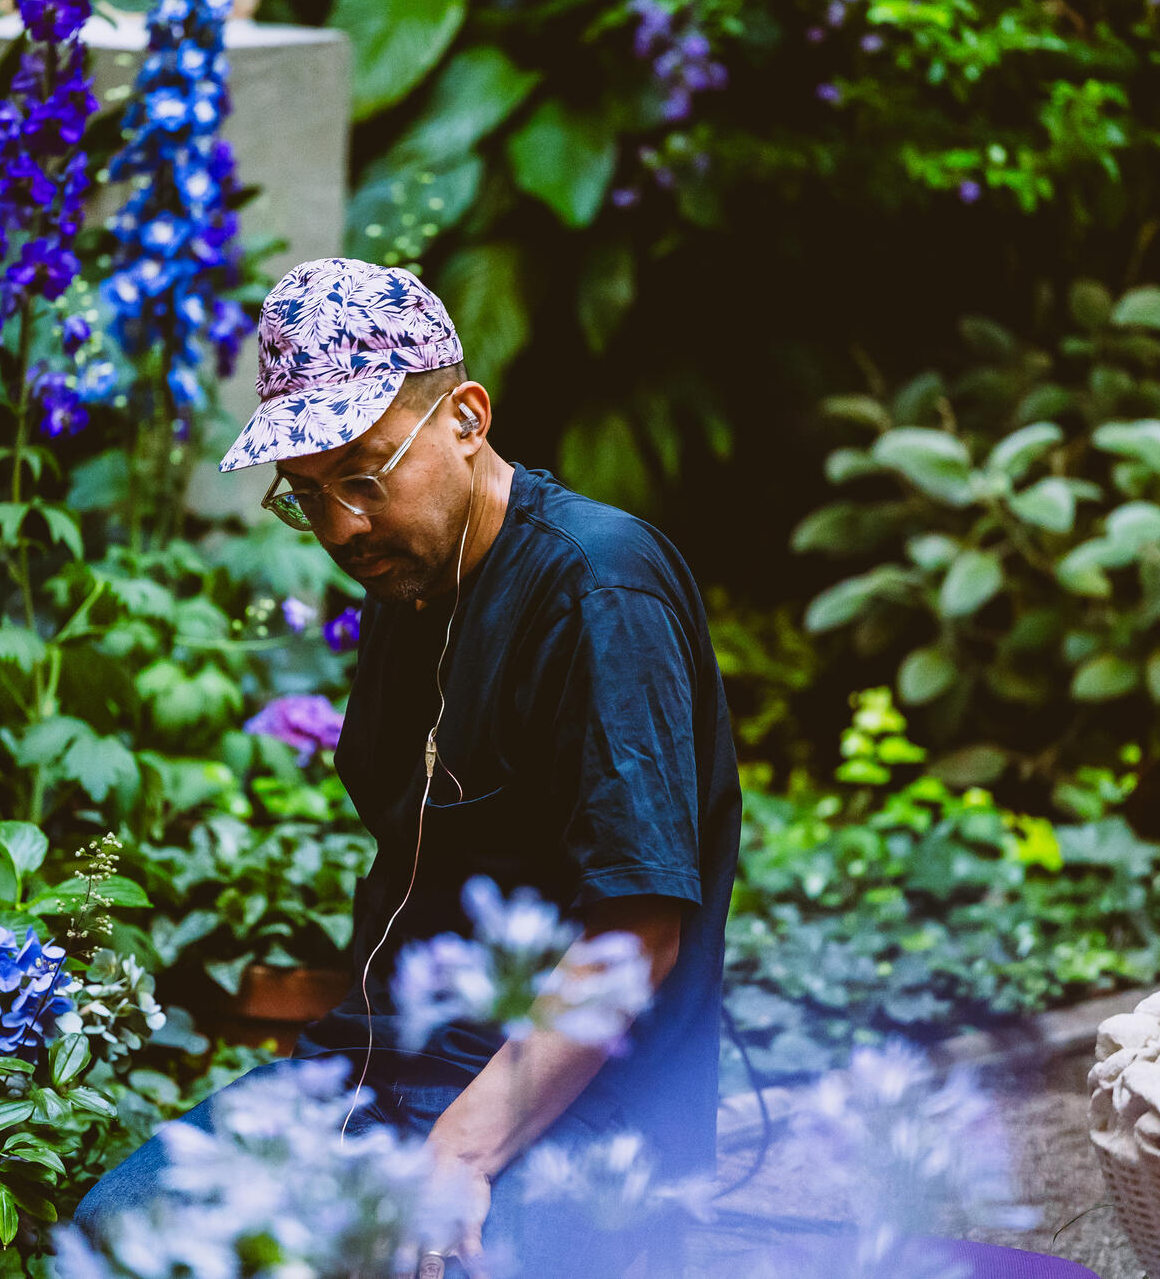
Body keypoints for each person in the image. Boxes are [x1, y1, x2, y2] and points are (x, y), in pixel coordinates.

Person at [75, 258, 741, 1278]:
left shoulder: (600, 592)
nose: (341, 527)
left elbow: (636, 938)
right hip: (376, 1072)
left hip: (580, 1113)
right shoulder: (410, 578)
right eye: (306, 496)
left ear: (465, 418)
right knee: (117, 1229)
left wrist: (455, 1158)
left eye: (364, 478)